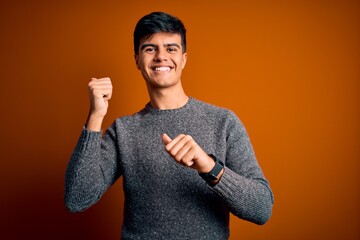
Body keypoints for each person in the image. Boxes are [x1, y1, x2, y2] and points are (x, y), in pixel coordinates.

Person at [65, 11, 274, 239]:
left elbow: (261, 208)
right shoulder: (123, 131)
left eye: (171, 48)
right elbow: (77, 199)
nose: (161, 56)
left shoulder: (223, 122)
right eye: (150, 48)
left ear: (184, 58)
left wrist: (208, 166)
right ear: (137, 59)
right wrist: (95, 116)